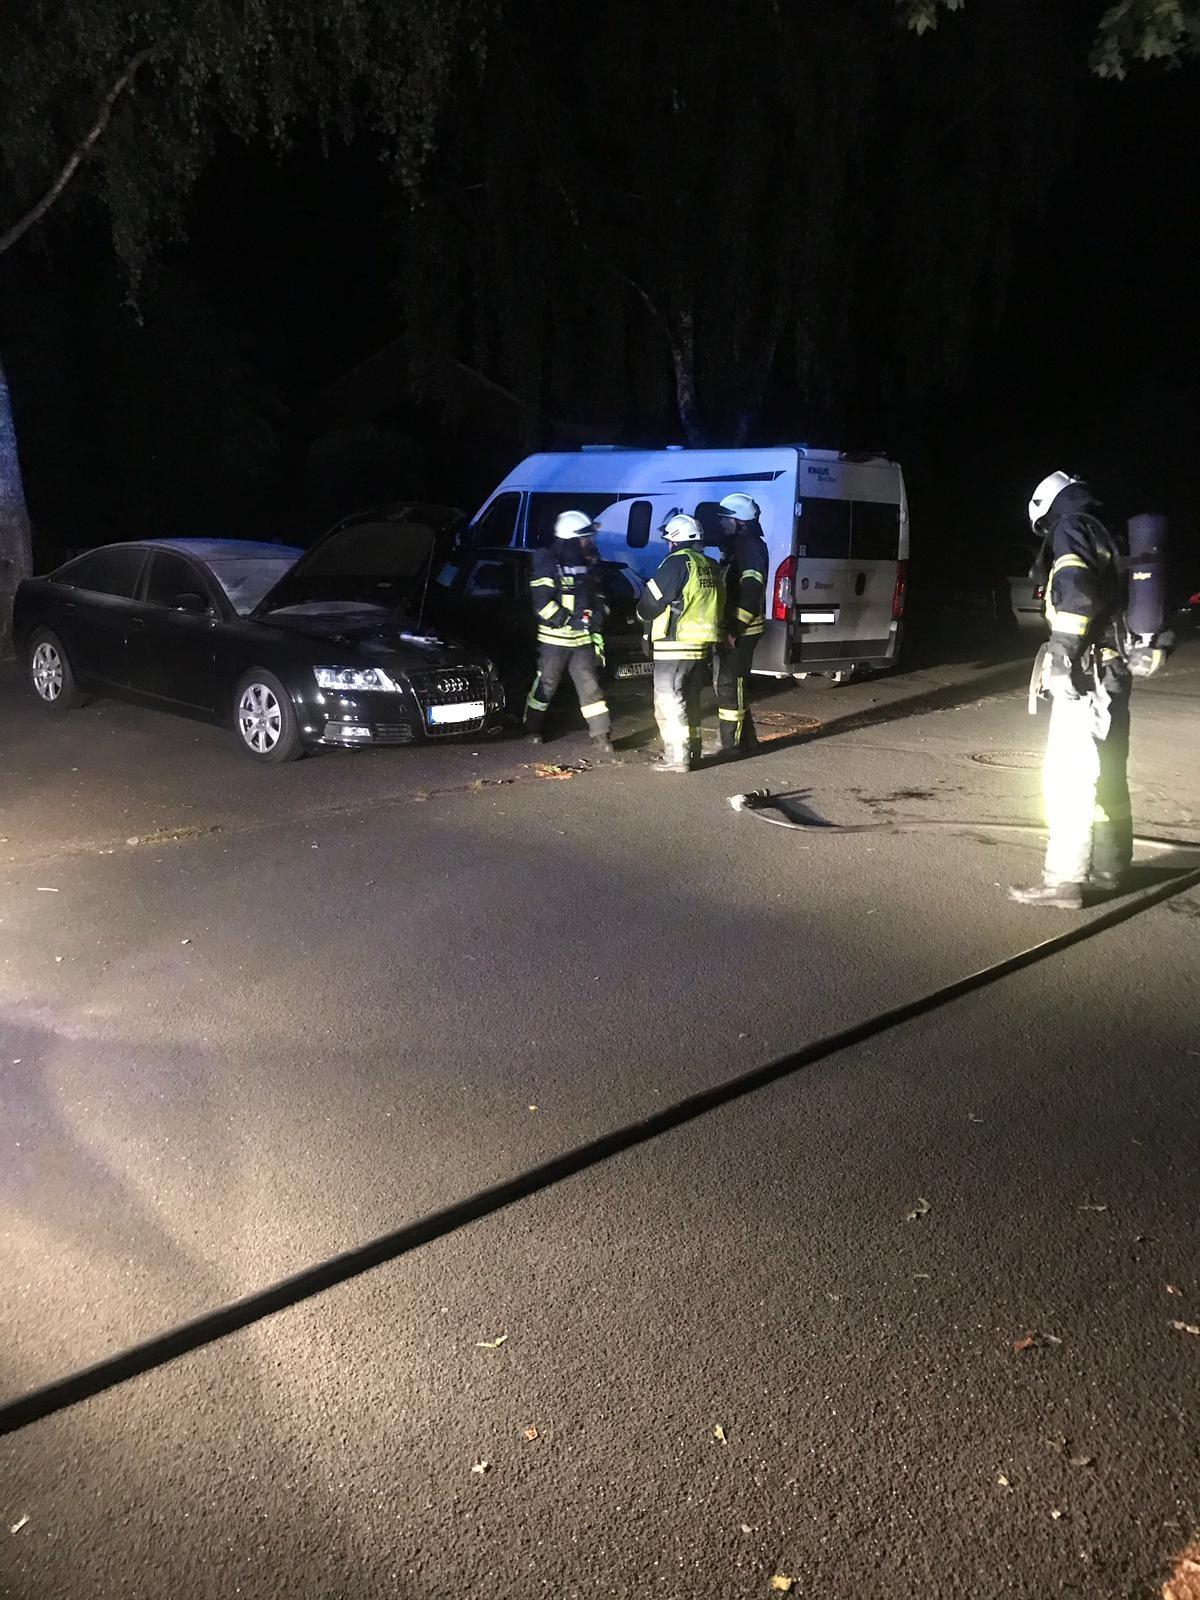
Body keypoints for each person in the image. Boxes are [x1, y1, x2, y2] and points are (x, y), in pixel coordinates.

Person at [1009, 472, 1132, 909]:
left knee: (1069, 777)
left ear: (1046, 510)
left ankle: (1063, 880)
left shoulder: (1070, 527)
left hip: (1086, 673)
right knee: (1107, 770)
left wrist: (1061, 653)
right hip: (1113, 669)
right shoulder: (1106, 529)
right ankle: (1111, 868)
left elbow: (1077, 595)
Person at [637, 511, 724, 773]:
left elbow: (651, 601)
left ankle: (677, 757)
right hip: (701, 645)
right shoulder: (710, 564)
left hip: (674, 644)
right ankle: (692, 751)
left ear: (674, 541)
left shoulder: (676, 563)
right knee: (690, 700)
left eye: (668, 541)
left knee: (669, 702)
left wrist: (641, 618)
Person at [525, 509, 614, 756]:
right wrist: (568, 620)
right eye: (586, 537)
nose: (590, 541)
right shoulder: (548, 561)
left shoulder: (589, 563)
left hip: (582, 638)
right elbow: (542, 602)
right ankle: (532, 729)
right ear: (572, 538)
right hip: (555, 639)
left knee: (590, 685)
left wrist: (595, 618)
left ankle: (601, 735)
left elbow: (597, 598)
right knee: (547, 683)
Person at [713, 492, 769, 755]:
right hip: (740, 627)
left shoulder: (749, 546)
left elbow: (751, 588)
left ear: (739, 521)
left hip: (743, 629)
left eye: (725, 518)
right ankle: (748, 741)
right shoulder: (743, 545)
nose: (721, 523)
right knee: (735, 686)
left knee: (730, 685)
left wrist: (735, 628)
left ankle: (730, 745)